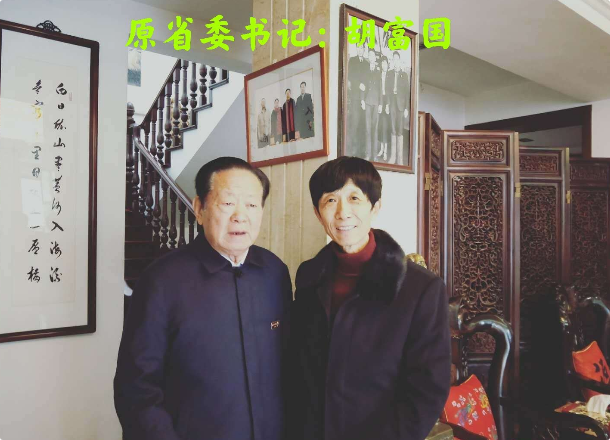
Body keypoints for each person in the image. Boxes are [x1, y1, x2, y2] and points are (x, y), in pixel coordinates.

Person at [114, 157, 292, 440]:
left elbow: (289, 368)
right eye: (228, 203)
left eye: (251, 204)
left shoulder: (274, 272)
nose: (240, 216)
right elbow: (137, 388)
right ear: (199, 208)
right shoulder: (162, 280)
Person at [288, 156, 451, 440]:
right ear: (317, 213)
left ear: (375, 207)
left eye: (354, 198)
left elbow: (428, 390)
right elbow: (299, 367)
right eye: (330, 200)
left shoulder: (421, 288)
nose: (343, 213)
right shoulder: (309, 275)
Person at [387, 51, 410, 165]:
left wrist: (406, 108)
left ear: (399, 61)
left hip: (401, 105)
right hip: (392, 103)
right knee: (393, 128)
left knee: (400, 130)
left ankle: (399, 159)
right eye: (394, 59)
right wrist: (387, 104)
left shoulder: (404, 75)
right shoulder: (389, 73)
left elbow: (407, 92)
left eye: (397, 59)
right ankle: (393, 157)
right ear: (392, 61)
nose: (395, 62)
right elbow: (387, 90)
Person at [347, 44, 367, 157]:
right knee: (354, 124)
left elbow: (368, 80)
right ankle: (352, 151)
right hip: (355, 97)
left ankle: (361, 152)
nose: (360, 50)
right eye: (358, 48)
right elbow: (350, 76)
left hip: (364, 99)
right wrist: (358, 84)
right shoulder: (353, 61)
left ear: (364, 49)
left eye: (362, 48)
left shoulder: (366, 63)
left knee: (362, 125)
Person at [376, 56, 391, 161]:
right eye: (382, 63)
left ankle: (385, 151)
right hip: (379, 101)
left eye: (385, 63)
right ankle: (381, 149)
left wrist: (387, 104)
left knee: (386, 127)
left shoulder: (390, 75)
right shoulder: (379, 75)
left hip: (387, 102)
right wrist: (379, 104)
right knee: (381, 127)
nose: (383, 65)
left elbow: (390, 92)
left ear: (387, 64)